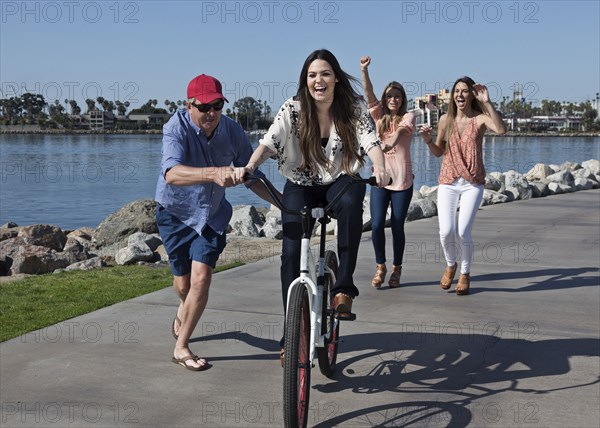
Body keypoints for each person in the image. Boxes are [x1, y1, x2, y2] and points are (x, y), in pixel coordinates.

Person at [245, 49, 389, 362]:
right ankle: (291, 330)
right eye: (312, 75)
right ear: (305, 81)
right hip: (300, 184)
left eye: (324, 74)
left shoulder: (352, 108)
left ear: (336, 77)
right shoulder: (293, 110)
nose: (318, 80)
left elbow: (370, 141)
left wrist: (379, 167)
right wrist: (250, 167)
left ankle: (344, 289)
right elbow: (269, 142)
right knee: (291, 254)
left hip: (339, 181)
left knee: (353, 199)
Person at [155, 74, 275, 371]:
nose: (211, 113)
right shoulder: (175, 127)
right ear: (189, 105)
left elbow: (252, 176)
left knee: (201, 280)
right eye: (204, 106)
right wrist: (213, 173)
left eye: (217, 105)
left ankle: (181, 347)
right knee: (183, 284)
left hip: (212, 214)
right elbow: (171, 173)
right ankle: (184, 307)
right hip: (175, 213)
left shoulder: (232, 130)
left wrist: (283, 202)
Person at [419, 76, 506, 295]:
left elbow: (501, 130)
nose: (460, 95)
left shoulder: (480, 119)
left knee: (463, 230)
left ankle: (465, 274)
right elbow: (439, 152)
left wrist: (487, 102)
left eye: (465, 91)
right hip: (448, 180)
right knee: (446, 231)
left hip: (472, 182)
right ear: (452, 95)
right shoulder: (445, 120)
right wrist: (428, 140)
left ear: (471, 95)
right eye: (456, 91)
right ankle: (451, 265)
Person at [359, 55, 415, 288]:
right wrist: (364, 71)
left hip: (402, 181)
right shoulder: (378, 115)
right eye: (389, 96)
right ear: (385, 99)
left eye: (397, 96)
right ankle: (380, 266)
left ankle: (397, 269)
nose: (393, 99)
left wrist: (389, 143)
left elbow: (402, 132)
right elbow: (368, 92)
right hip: (381, 179)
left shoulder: (409, 116)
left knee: (398, 225)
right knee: (377, 223)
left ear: (402, 99)